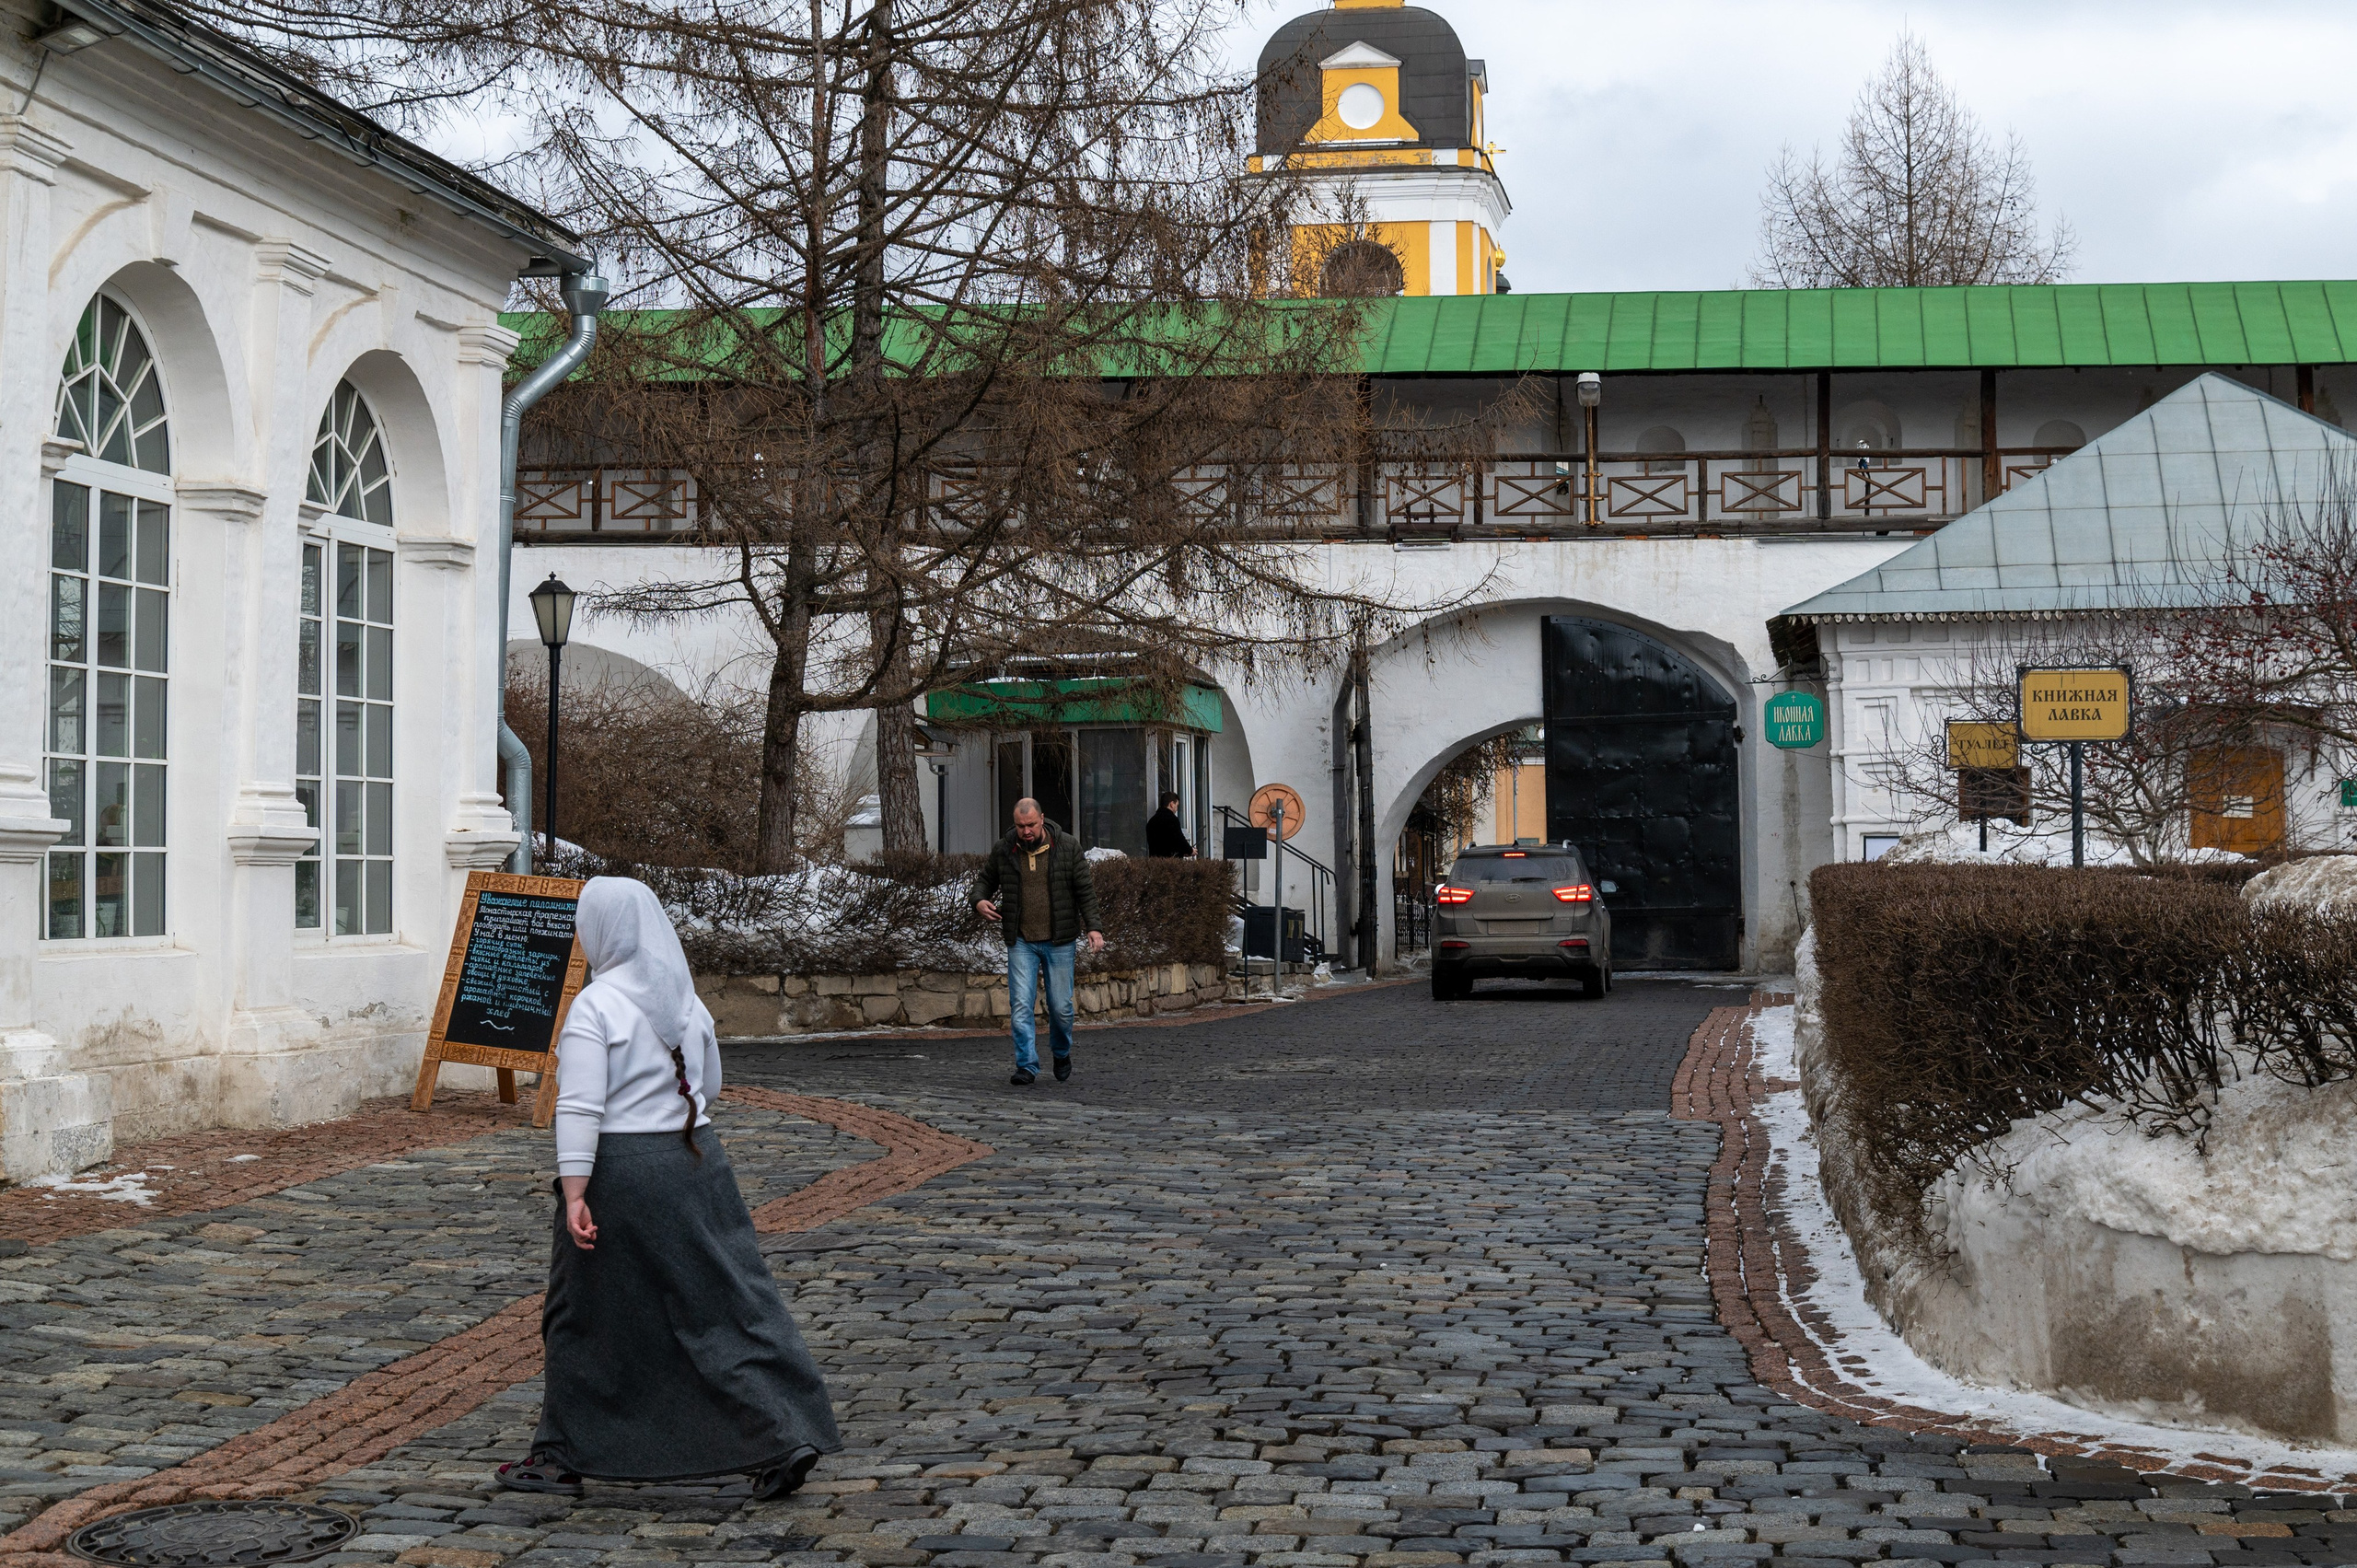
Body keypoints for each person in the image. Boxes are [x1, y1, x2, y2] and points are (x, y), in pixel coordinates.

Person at [497, 877, 842, 1499]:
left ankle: (559, 1454)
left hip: (623, 1172)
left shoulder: (596, 1006)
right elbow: (708, 1086)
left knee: (582, 1312)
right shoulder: (686, 1002)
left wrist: (574, 1193)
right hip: (699, 1163)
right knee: (727, 1302)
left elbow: (579, 1107)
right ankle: (784, 1430)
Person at [970, 798, 1103, 1086]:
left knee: (1061, 1008)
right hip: (1021, 941)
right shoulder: (1004, 849)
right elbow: (984, 881)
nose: (1026, 831)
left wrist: (1094, 928)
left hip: (1060, 940)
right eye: (1020, 826)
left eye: (1031, 824)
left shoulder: (1067, 846)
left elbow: (1085, 891)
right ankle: (1027, 1066)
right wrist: (979, 900)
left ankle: (1061, 1052)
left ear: (1042, 819)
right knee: (1020, 1005)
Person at [1145, 792, 1193, 858]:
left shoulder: (1151, 821)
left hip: (1155, 861)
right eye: (1177, 805)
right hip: (1171, 861)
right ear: (1172, 804)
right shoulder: (1172, 820)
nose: (1177, 809)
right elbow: (1179, 840)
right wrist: (1190, 851)